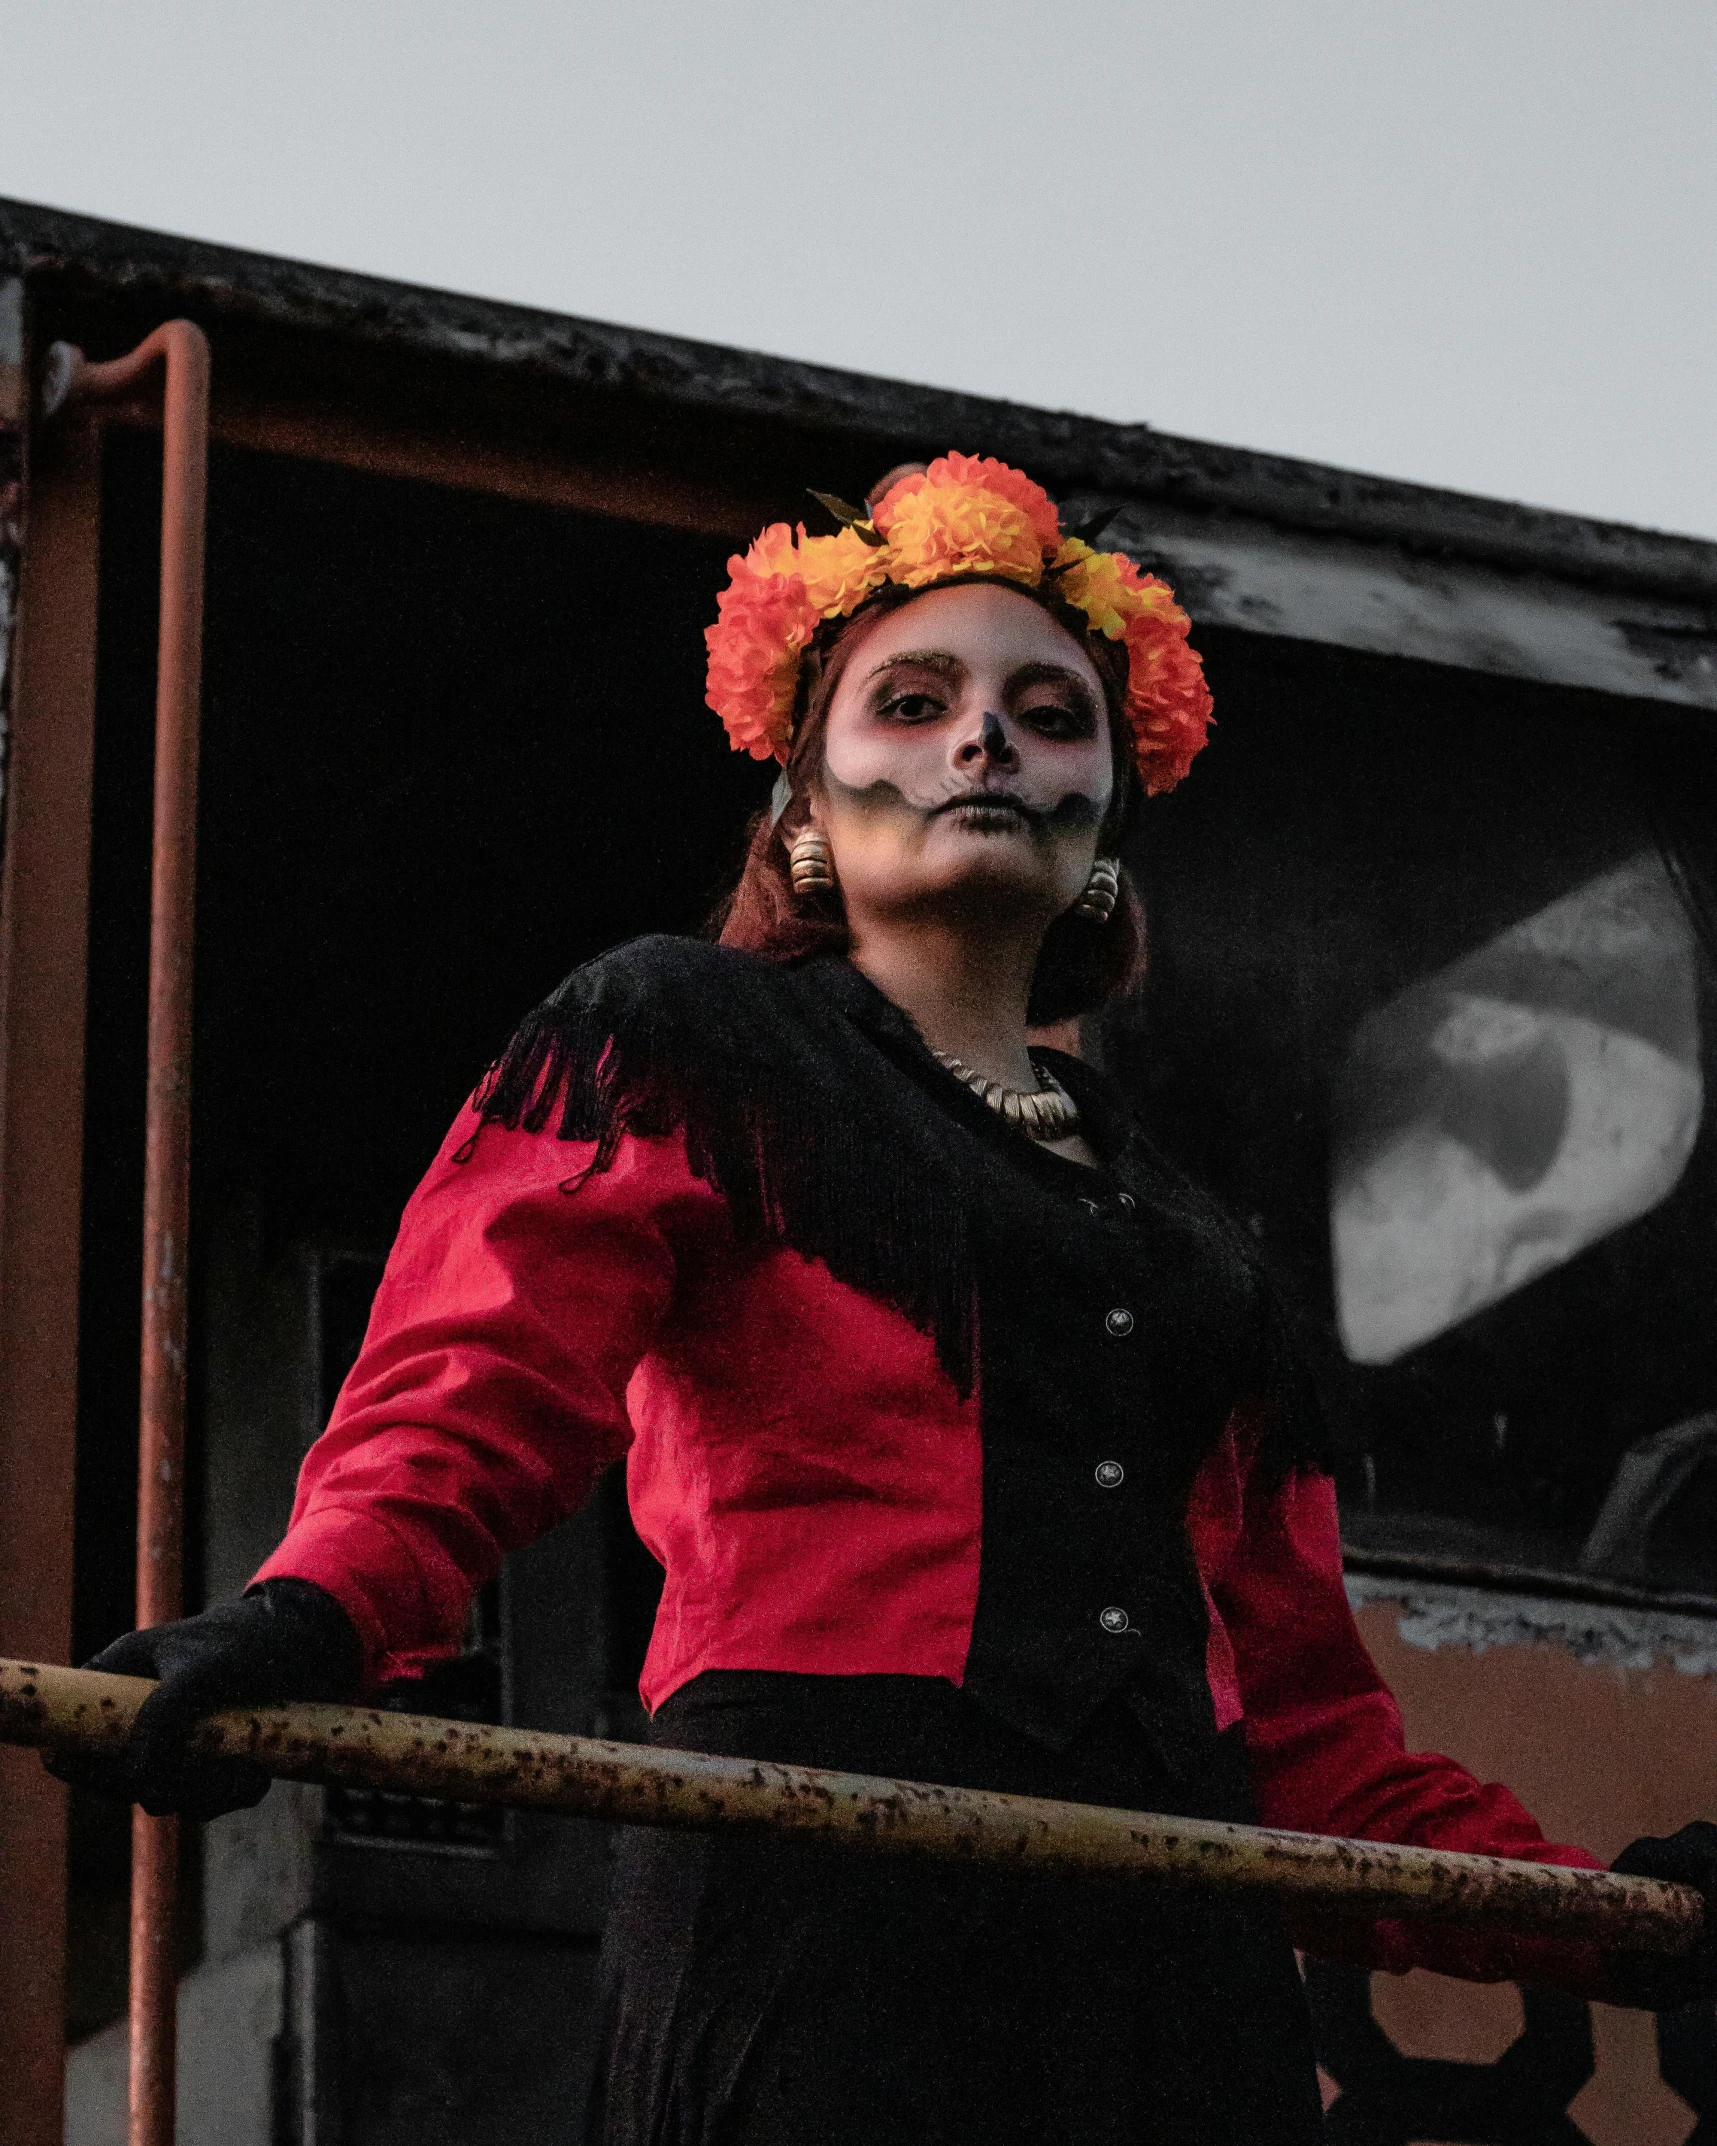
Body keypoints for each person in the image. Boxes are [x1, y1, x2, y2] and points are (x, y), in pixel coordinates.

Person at [58, 454, 1717, 2143]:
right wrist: (308, 1615)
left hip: (1175, 1965)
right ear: (804, 807)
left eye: (1048, 713)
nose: (983, 740)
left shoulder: (1207, 1249)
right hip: (816, 1903)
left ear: (1105, 835)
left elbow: (1313, 1742)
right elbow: (474, 1379)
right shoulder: (682, 1035)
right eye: (913, 703)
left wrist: (1612, 1914)